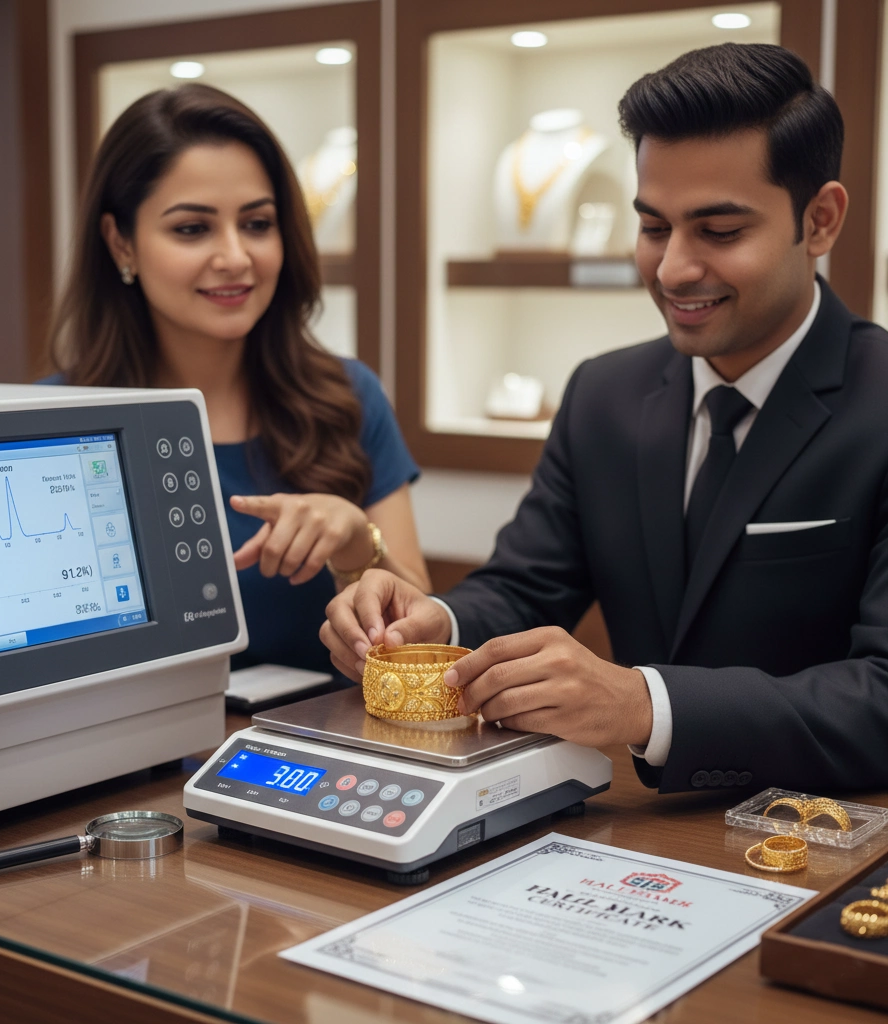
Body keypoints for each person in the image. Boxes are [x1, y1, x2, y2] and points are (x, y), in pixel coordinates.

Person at [323, 42, 888, 794]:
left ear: (819, 221)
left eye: (719, 232)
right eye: (654, 227)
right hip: (629, 841)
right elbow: (525, 588)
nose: (673, 269)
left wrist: (644, 705)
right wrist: (436, 624)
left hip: (827, 852)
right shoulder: (603, 394)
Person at [47, 84, 429, 674]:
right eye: (192, 229)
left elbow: (420, 648)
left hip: (322, 760)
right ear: (120, 241)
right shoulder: (51, 422)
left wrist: (359, 543)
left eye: (256, 223)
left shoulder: (349, 398)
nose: (235, 257)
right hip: (132, 765)